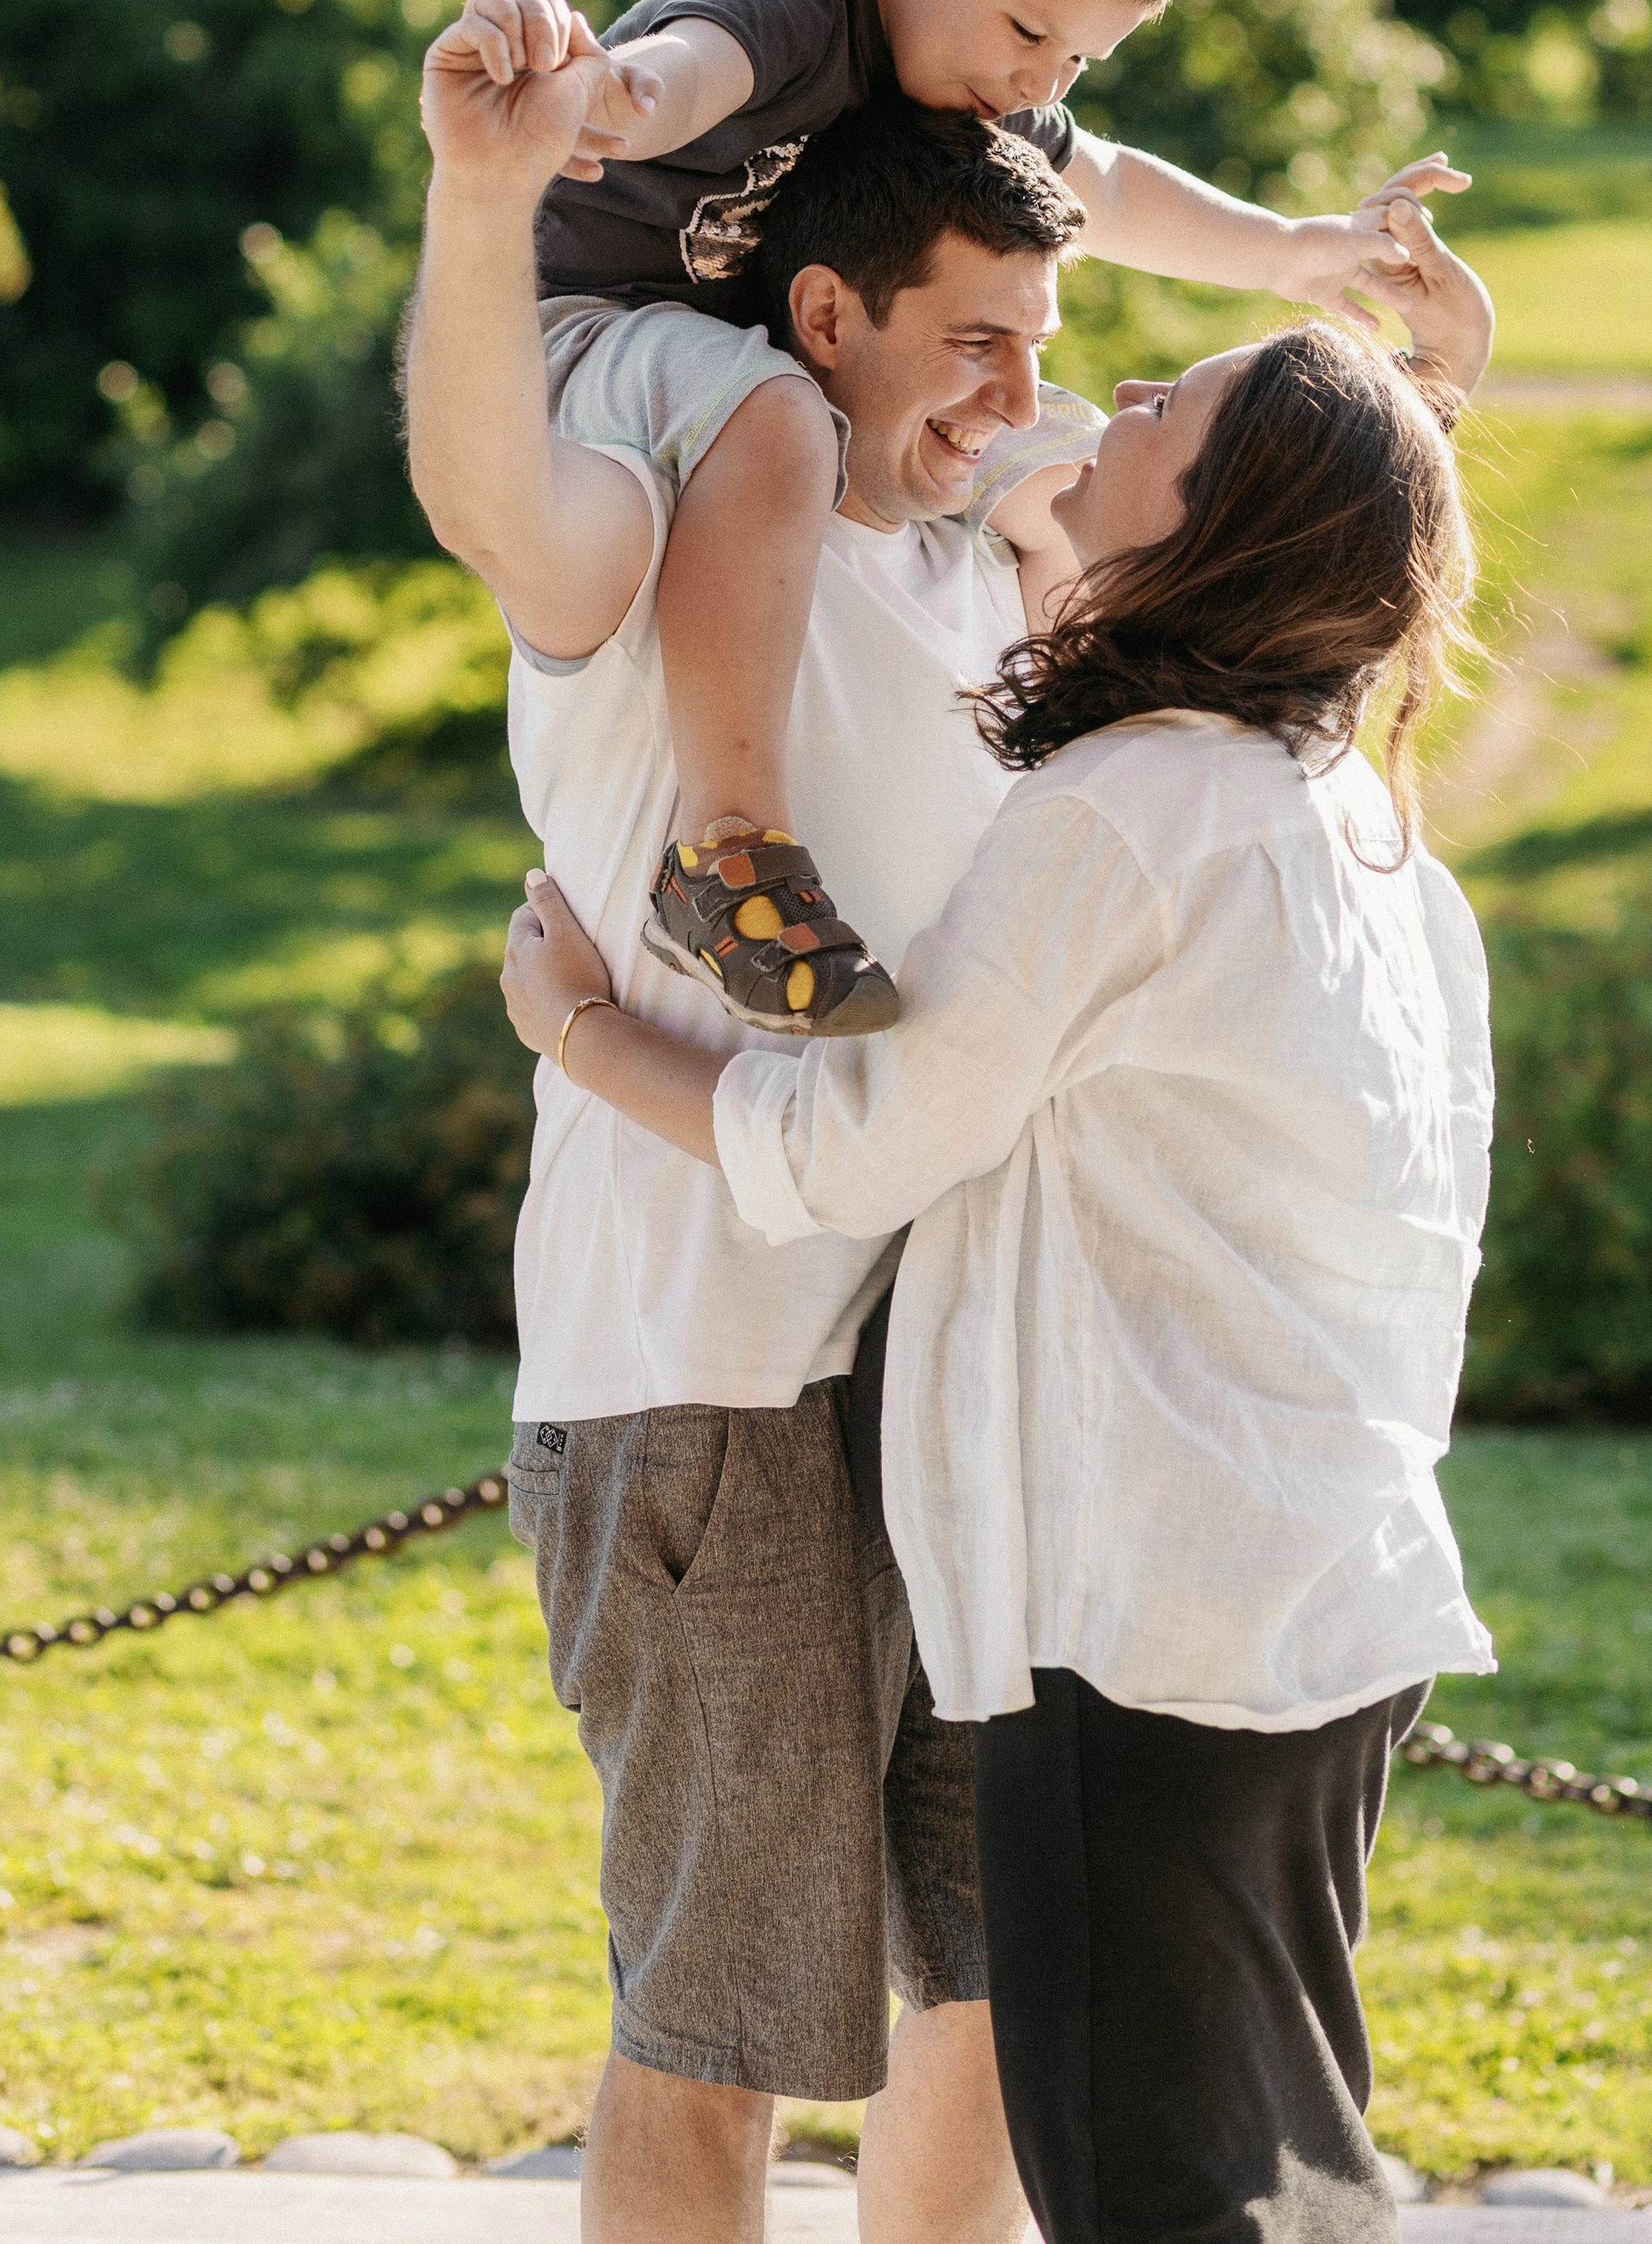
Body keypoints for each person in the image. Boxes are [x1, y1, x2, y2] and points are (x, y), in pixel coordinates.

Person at [498, 207, 1500, 2244]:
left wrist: (590, 1033)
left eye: (1162, 406)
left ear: (1210, 530)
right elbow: (1304, 512)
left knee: (1167, 2176)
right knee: (1270, 2160)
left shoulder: (1127, 806)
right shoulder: (1377, 839)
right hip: (1305, 1591)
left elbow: (859, 1127)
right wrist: (1410, 378)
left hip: (1139, 1602)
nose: (1091, 398)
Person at [405, 42, 1107, 2244]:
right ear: (825, 317)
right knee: (725, 2030)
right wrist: (482, 202)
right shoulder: (682, 496)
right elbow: (498, 504)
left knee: (1005, 1992)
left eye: (1036, 349)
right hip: (702, 1375)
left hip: (964, 1373)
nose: (1005, 393)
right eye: (967, 343)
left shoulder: (988, 574)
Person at [435, 0, 1466, 1038]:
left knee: (1072, 452)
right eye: (1033, 34)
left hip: (737, 362)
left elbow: (1121, 187)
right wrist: (605, 97)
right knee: (776, 420)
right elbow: (694, 64)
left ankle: (1120, 701)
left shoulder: (976, 72)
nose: (1041, 86)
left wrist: (1303, 253)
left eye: (1079, 61)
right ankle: (727, 851)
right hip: (584, 331)